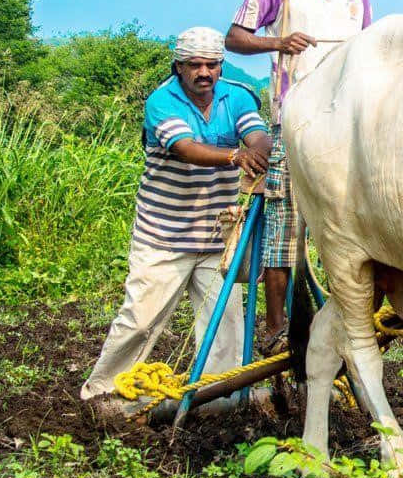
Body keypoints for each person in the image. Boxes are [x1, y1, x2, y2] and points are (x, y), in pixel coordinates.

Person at [81, 27, 272, 426]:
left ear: (221, 66)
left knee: (226, 323)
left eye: (211, 65)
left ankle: (218, 397)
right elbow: (186, 149)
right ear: (179, 67)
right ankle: (102, 396)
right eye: (195, 65)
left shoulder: (237, 95)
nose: (204, 73)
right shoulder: (162, 101)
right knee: (141, 318)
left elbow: (257, 134)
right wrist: (236, 156)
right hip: (163, 234)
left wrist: (257, 148)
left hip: (217, 235)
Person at [226, 0, 372, 349]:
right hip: (295, 122)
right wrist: (279, 42)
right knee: (284, 225)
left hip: (346, 123)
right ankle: (276, 327)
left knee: (357, 223)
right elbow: (234, 37)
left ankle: (352, 317)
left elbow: (370, 52)